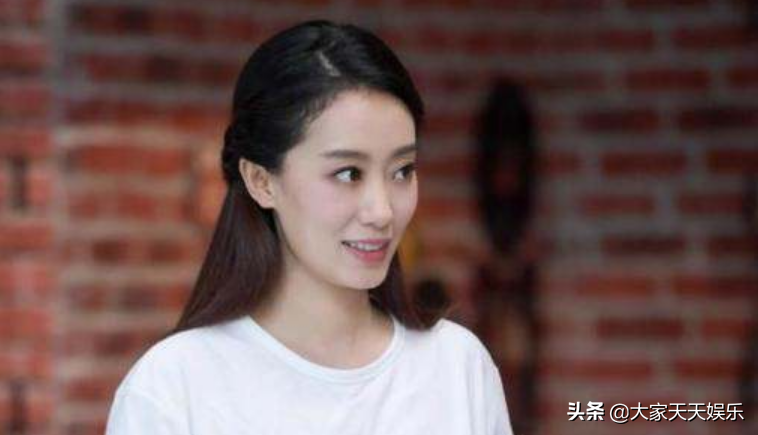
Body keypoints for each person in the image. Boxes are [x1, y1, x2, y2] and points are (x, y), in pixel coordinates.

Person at [105, 20, 514, 435]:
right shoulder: (174, 387)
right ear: (261, 181)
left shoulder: (457, 368)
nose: (382, 211)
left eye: (402, 170)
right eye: (348, 173)